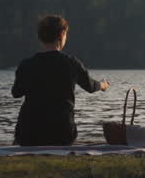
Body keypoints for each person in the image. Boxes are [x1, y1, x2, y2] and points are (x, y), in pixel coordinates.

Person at [11, 15, 108, 146]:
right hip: (62, 134)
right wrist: (103, 85)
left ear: (41, 37)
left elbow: (16, 93)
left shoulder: (26, 65)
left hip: (28, 135)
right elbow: (90, 86)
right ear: (62, 34)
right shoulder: (71, 63)